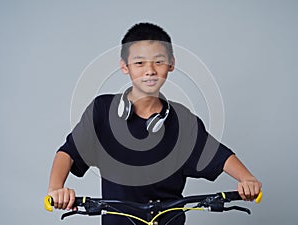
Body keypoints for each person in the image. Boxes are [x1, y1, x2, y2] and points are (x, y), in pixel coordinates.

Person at [47, 22, 262, 225]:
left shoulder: (182, 120)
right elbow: (68, 152)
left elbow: (220, 156)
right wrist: (56, 188)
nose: (150, 70)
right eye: (139, 63)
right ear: (125, 67)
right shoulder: (102, 110)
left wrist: (247, 178)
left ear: (171, 64)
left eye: (158, 61)